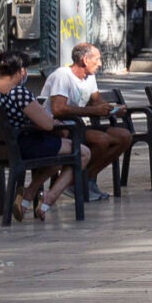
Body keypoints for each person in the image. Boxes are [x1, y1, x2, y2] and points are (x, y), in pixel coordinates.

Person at [0, 52, 70, 218]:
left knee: (58, 155)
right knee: (81, 152)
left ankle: (28, 195)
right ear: (21, 71)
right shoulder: (18, 93)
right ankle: (44, 200)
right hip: (20, 147)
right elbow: (47, 124)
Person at [44, 43, 128, 202]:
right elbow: (58, 109)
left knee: (123, 136)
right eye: (97, 59)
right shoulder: (63, 75)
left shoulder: (89, 76)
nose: (100, 63)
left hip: (76, 126)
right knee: (101, 140)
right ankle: (74, 181)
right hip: (59, 127)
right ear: (85, 60)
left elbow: (95, 101)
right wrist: (93, 111)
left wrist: (112, 109)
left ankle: (82, 179)